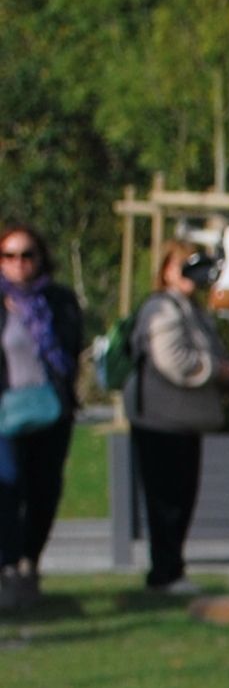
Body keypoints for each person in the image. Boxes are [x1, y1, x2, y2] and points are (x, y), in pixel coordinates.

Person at [122, 238, 229, 595]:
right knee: (166, 501)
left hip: (185, 420)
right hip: (160, 420)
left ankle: (171, 569)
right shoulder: (162, 308)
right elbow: (172, 360)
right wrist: (216, 370)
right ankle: (165, 573)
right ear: (165, 271)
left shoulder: (193, 309)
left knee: (182, 498)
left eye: (196, 265)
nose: (192, 274)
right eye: (182, 266)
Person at [0, 223, 86, 614]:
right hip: (5, 412)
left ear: (40, 258)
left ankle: (29, 561)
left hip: (51, 410)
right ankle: (8, 566)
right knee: (7, 486)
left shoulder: (58, 301)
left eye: (27, 255)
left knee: (44, 491)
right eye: (9, 256)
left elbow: (71, 349)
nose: (18, 263)